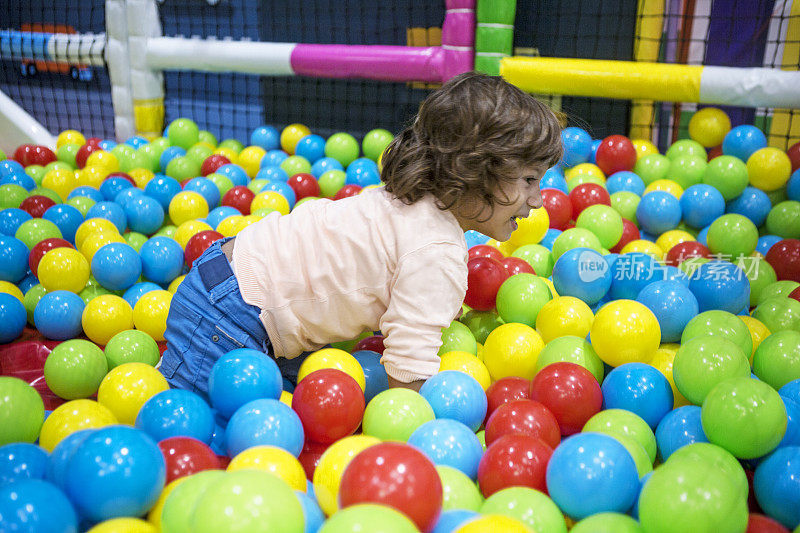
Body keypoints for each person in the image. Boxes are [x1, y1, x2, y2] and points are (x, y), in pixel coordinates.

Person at [158, 71, 563, 401]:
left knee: (301, 408)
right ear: (476, 172)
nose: (539, 200)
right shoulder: (437, 251)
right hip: (233, 317)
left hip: (226, 281)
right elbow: (408, 375)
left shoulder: (408, 199)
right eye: (528, 180)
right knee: (191, 427)